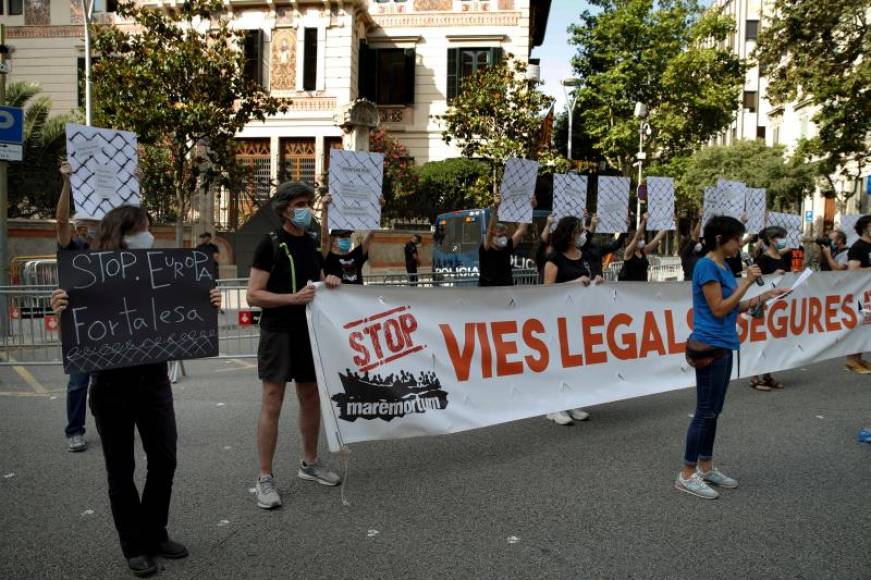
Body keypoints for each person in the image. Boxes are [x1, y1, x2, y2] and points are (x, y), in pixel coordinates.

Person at [51, 205, 223, 577]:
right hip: (111, 385)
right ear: (123, 233)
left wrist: (207, 303)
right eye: (143, 229)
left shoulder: (159, 269)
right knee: (121, 470)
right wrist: (61, 309)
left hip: (154, 381)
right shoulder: (91, 268)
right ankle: (133, 546)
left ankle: (155, 532)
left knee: (164, 460)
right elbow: (75, 327)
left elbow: (186, 303)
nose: (149, 235)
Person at [246, 181, 343, 511]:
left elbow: (324, 270)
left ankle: (310, 462)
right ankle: (264, 477)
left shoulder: (313, 242)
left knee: (311, 396)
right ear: (285, 207)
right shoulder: (269, 243)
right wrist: (292, 298)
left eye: (309, 203)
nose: (306, 209)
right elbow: (253, 294)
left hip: (307, 332)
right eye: (301, 203)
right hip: (278, 332)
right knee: (273, 400)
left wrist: (329, 280)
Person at [675, 215, 782, 499]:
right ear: (721, 239)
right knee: (704, 412)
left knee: (714, 411)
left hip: (724, 345)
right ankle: (687, 474)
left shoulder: (722, 266)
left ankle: (706, 467)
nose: (740, 245)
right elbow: (720, 308)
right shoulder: (705, 266)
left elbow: (737, 306)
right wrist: (747, 284)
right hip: (709, 346)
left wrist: (768, 296)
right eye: (737, 239)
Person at [542, 216, 603, 426]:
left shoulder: (583, 256)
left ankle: (573, 401)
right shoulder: (554, 258)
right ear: (568, 234)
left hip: (580, 317)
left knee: (576, 362)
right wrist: (573, 283)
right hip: (559, 318)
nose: (582, 234)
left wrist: (596, 281)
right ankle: (554, 407)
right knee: (559, 362)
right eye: (578, 231)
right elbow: (547, 291)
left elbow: (589, 277)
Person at [56, 161, 99, 453]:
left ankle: (113, 424)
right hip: (81, 326)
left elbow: (135, 225)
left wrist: (135, 188)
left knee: (110, 384)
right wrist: (66, 183)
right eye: (78, 225)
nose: (82, 229)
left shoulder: (109, 249)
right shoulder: (72, 248)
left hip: (110, 321)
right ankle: (75, 430)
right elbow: (60, 223)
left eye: (88, 225)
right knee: (78, 383)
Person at [748, 226, 789, 391]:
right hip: (762, 304)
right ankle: (754, 376)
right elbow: (755, 282)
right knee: (759, 340)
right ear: (772, 239)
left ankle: (767, 374)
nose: (784, 240)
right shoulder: (763, 259)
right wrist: (772, 275)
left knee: (772, 340)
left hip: (777, 305)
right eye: (781, 237)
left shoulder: (781, 257)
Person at [319, 194, 384, 284]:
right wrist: (325, 209)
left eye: (348, 236)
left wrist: (378, 208)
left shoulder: (356, 255)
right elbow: (324, 239)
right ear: (333, 239)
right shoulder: (328, 257)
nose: (347, 238)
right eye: (343, 236)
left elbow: (371, 235)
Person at [479, 196, 533, 287]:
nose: (503, 238)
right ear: (492, 236)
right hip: (488, 292)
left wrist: (529, 208)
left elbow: (521, 231)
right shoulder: (486, 249)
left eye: (504, 235)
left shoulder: (507, 247)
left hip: (507, 291)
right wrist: (496, 208)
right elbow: (490, 229)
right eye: (499, 235)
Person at [845, 215, 871, 374]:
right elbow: (853, 270)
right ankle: (851, 360)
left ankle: (859, 358)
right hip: (861, 295)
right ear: (864, 228)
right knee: (860, 324)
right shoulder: (857, 247)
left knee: (867, 326)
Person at [618, 213, 666, 281]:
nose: (642, 241)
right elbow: (636, 237)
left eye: (643, 239)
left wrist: (668, 224)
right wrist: (644, 221)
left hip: (642, 286)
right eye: (640, 239)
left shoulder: (643, 251)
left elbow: (657, 239)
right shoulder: (628, 252)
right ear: (632, 240)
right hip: (629, 286)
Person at [583, 212, 627, 279]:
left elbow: (615, 245)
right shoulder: (576, 248)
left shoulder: (596, 247)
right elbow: (586, 242)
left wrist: (623, 230)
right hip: (582, 286)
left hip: (598, 284)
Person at [680, 208, 705, 281]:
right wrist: (700, 220)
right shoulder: (685, 254)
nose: (698, 243)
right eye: (696, 242)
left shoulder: (700, 253)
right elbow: (694, 237)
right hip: (689, 284)